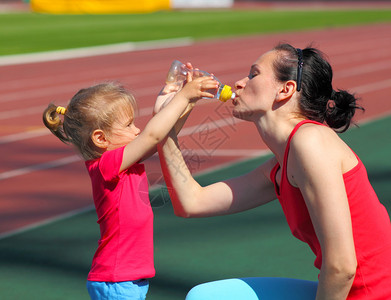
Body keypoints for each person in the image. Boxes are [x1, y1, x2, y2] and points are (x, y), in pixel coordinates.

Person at [157, 43, 391, 299]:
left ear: (285, 90)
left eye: (253, 74)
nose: (239, 82)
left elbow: (342, 267)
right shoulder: (283, 164)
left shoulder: (310, 142)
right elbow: (191, 202)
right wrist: (165, 123)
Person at [42, 77, 218, 300]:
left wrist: (188, 102)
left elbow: (160, 138)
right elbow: (152, 135)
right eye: (128, 125)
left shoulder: (122, 163)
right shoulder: (106, 166)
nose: (137, 131)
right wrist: (182, 97)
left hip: (126, 279)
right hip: (116, 280)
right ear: (100, 138)